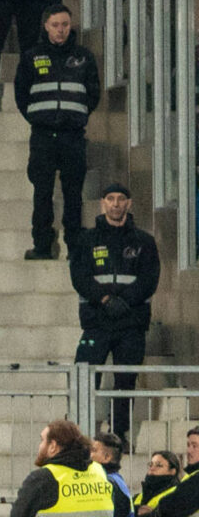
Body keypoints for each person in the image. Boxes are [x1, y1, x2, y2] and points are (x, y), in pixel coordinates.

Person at [71, 186, 160, 436]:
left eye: (121, 199)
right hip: (96, 322)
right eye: (110, 199)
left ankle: (119, 435)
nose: (116, 204)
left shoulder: (144, 242)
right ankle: (80, 435)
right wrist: (105, 299)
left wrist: (124, 301)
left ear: (129, 204)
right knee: (85, 376)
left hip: (131, 323)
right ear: (102, 204)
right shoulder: (86, 240)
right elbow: (79, 276)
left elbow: (149, 279)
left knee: (125, 381)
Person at [16, 5, 98, 259]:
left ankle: (74, 245)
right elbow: (21, 94)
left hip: (72, 136)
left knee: (74, 193)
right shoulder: (31, 57)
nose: (61, 30)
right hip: (43, 136)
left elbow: (93, 93)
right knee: (42, 192)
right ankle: (42, 244)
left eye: (65, 24)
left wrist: (77, 116)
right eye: (55, 25)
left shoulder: (84, 57)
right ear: (46, 26)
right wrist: (39, 117)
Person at [11, 418, 130, 517]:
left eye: (42, 440)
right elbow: (122, 510)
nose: (40, 446)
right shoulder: (99, 471)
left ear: (53, 446)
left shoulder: (42, 478)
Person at [132, 425, 199, 517]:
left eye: (195, 446)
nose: (188, 450)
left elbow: (168, 510)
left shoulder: (193, 481)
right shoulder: (187, 478)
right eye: (188, 445)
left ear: (172, 471)